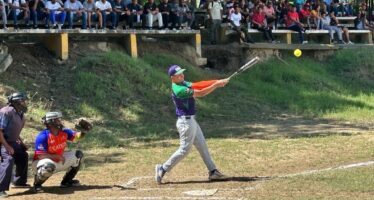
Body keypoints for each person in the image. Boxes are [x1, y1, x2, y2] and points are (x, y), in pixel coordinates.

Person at [155, 65, 229, 184]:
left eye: (182, 73)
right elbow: (200, 93)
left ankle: (213, 172)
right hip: (185, 122)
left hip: (191, 121)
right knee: (184, 149)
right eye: (179, 74)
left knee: (202, 145)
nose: (182, 75)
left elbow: (198, 84)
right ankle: (162, 168)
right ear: (172, 78)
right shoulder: (179, 89)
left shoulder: (183, 83)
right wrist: (216, 85)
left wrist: (217, 81)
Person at [32, 111, 87, 192]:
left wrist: (83, 132)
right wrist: (56, 156)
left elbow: (77, 137)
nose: (60, 122)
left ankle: (66, 182)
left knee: (78, 155)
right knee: (48, 165)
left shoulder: (64, 132)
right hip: (41, 163)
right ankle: (37, 184)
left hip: (58, 160)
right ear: (51, 123)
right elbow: (41, 156)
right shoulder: (43, 136)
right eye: (58, 120)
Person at [0, 92, 30, 197]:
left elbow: (15, 132)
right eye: (23, 101)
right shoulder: (6, 112)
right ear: (17, 101)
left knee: (23, 154)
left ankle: (19, 181)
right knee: (8, 159)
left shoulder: (21, 114)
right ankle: (0, 189)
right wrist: (7, 146)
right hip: (2, 142)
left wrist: (22, 143)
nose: (25, 103)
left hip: (11, 142)